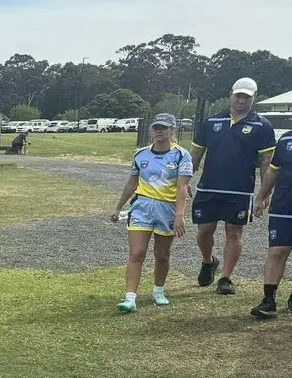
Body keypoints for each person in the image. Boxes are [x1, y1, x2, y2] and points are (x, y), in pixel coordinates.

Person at [191, 77, 277, 294]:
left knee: (234, 233)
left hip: (240, 190)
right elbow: (196, 155)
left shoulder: (262, 126)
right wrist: (182, 183)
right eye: (238, 95)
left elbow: (266, 162)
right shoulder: (210, 122)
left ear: (253, 98)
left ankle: (226, 278)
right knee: (204, 231)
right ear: (231, 94)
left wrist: (264, 194)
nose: (241, 100)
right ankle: (209, 261)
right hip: (208, 187)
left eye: (246, 97)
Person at [109, 114, 192, 312]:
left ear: (172, 129)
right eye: (156, 128)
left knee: (162, 255)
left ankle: (158, 290)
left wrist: (179, 215)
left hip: (167, 209)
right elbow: (132, 182)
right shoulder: (140, 154)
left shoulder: (182, 155)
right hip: (142, 207)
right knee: (137, 253)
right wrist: (118, 206)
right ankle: (130, 298)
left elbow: (183, 188)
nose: (159, 131)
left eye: (164, 127)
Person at [251, 125, 292, 318]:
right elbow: (272, 172)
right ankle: (268, 301)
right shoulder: (285, 140)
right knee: (277, 252)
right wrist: (261, 197)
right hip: (283, 207)